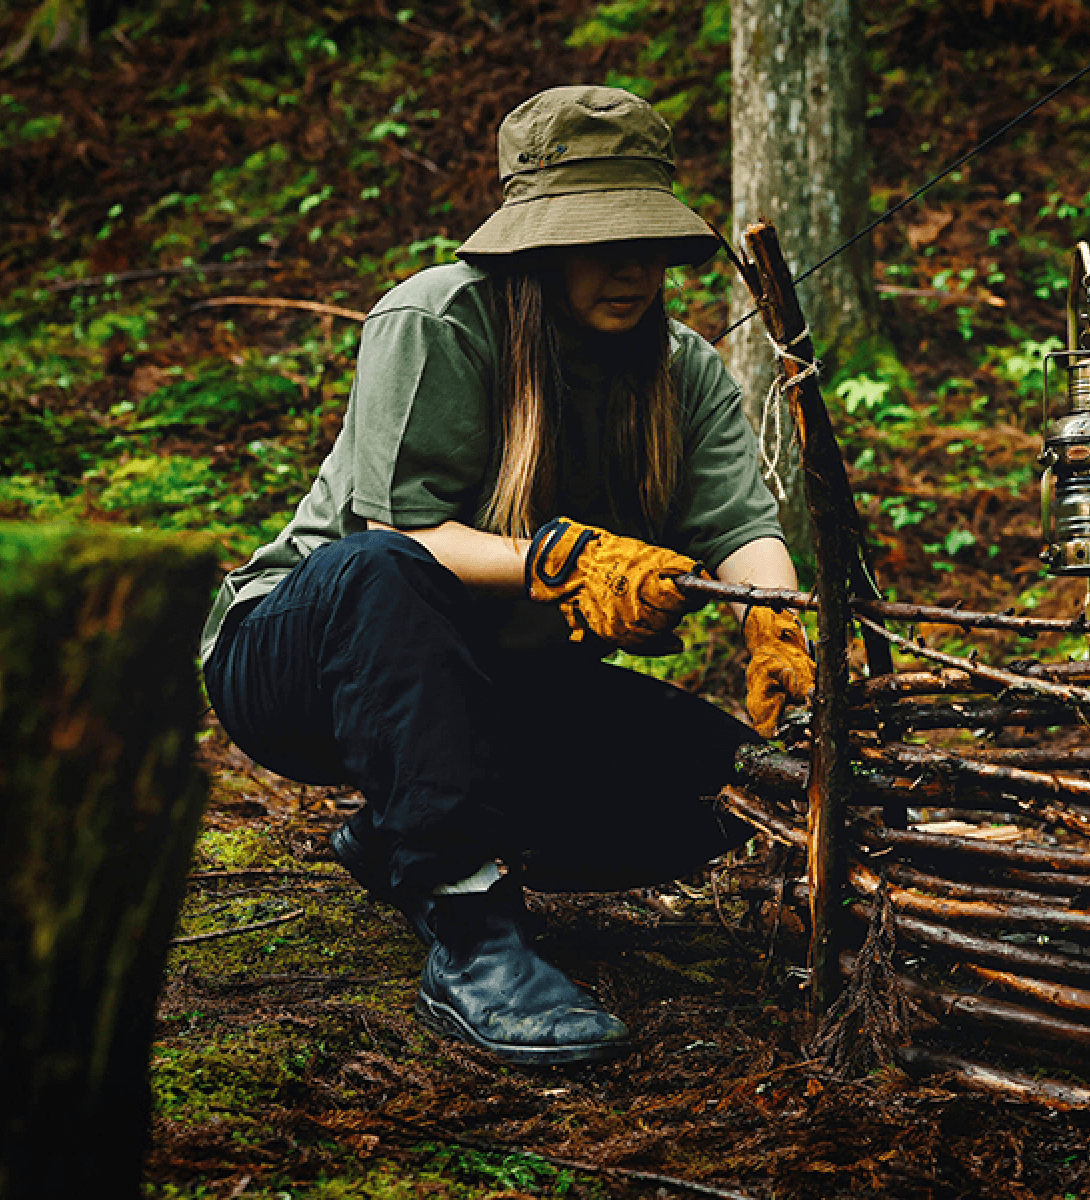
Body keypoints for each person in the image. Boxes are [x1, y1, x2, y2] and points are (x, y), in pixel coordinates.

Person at [199, 86, 815, 1066]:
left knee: (722, 787)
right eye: (599, 239)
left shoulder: (683, 370)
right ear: (535, 243)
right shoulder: (436, 320)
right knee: (385, 573)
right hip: (302, 661)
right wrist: (563, 561)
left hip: (495, 688)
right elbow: (394, 538)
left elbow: (741, 522)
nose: (632, 265)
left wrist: (772, 619)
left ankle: (396, 835)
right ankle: (474, 937)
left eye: (647, 240)